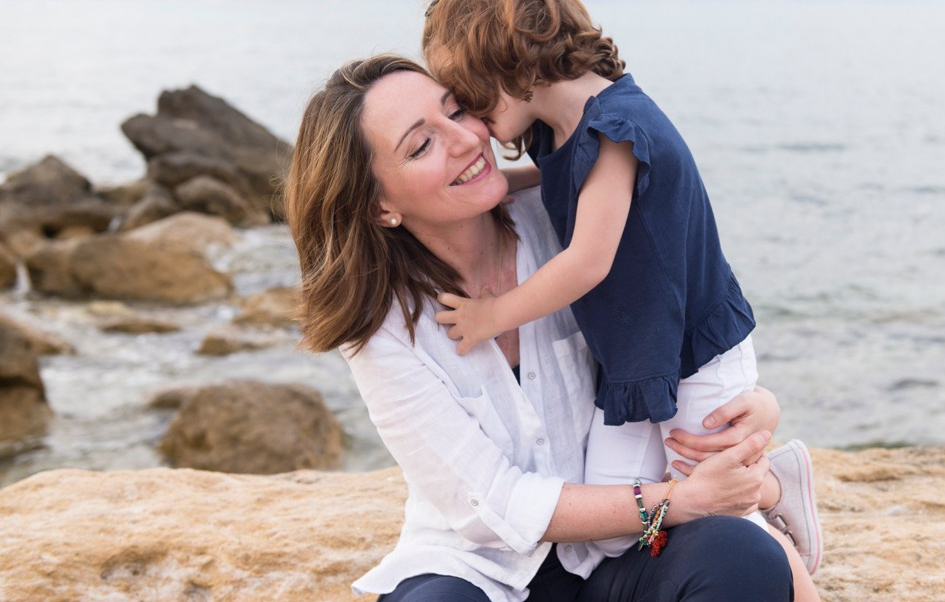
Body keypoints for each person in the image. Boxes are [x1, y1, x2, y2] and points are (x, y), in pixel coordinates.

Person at [285, 54, 800, 602]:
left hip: (629, 545)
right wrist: (678, 500)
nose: (462, 140)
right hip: (481, 570)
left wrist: (757, 405)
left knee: (741, 558)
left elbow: (679, 318)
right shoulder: (378, 325)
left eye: (457, 111)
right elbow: (490, 504)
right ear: (380, 204)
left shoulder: (574, 226)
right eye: (421, 145)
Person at [422, 0, 821, 586]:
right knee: (610, 536)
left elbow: (588, 260)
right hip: (637, 352)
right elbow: (559, 184)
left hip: (693, 349)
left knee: (719, 500)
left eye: (468, 96)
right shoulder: (560, 129)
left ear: (508, 66)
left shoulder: (616, 130)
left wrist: (493, 315)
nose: (471, 120)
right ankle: (763, 490)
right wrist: (489, 188)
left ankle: (771, 495)